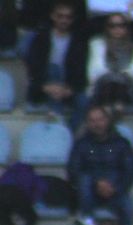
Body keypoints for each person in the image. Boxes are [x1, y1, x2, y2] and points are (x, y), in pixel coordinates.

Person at [68, 104, 133, 225]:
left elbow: (131, 171)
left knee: (128, 210)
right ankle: (87, 220)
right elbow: (73, 170)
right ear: (87, 123)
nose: (97, 124)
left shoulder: (121, 143)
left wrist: (115, 187)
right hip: (89, 191)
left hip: (115, 189)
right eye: (92, 121)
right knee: (84, 179)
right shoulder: (81, 144)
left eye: (100, 119)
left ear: (107, 120)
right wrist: (97, 183)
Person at [23, 1, 90, 132]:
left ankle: (67, 132)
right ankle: (58, 119)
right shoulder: (41, 37)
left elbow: (80, 69)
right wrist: (44, 86)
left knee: (84, 101)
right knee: (54, 69)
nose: (64, 20)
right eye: (60, 16)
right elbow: (34, 67)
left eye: (68, 17)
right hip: (44, 84)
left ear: (73, 19)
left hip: (68, 85)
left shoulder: (78, 40)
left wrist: (70, 88)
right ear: (53, 16)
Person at [86, 12, 133, 116]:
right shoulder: (96, 45)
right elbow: (94, 73)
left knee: (120, 83)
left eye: (121, 25)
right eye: (112, 26)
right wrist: (114, 76)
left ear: (127, 28)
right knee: (109, 83)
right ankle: (108, 109)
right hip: (103, 89)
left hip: (129, 91)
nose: (117, 29)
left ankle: (117, 107)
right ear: (107, 28)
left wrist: (121, 76)